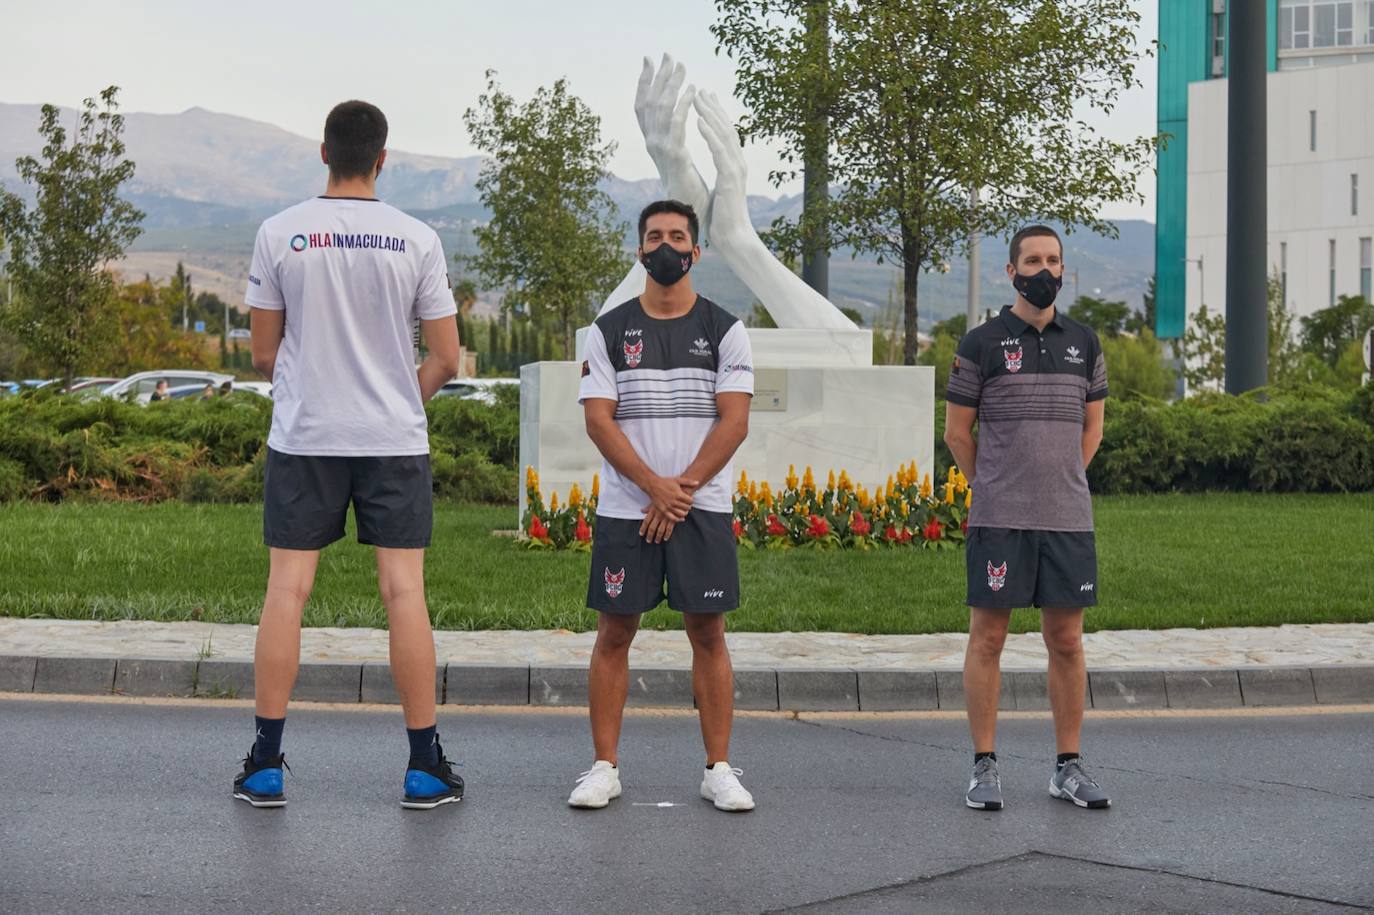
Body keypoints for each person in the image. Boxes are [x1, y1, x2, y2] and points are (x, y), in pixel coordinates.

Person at [236, 100, 463, 810]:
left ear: (324, 153)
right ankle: (424, 767)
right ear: (382, 158)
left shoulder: (279, 233)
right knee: (404, 593)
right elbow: (448, 358)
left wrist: (314, 394)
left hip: (304, 436)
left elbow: (265, 353)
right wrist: (399, 398)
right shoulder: (418, 238)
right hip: (392, 438)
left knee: (286, 592)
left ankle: (265, 764)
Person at [571, 199, 756, 812]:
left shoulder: (725, 329)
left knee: (708, 632)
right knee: (614, 632)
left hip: (699, 509)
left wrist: (677, 493)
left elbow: (734, 423)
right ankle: (604, 767)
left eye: (678, 236)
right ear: (640, 250)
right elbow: (599, 421)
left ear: (696, 251)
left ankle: (719, 769)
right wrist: (655, 486)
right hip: (630, 509)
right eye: (655, 237)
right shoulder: (608, 329)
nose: (667, 246)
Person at [944, 225, 1111, 812]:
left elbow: (1092, 429)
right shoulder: (982, 343)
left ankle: (1067, 767)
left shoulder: (1085, 343)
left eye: (1054, 260)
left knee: (1066, 640)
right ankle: (984, 766)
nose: (1044, 269)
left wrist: (1063, 473)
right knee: (988, 638)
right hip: (1000, 518)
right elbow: (957, 433)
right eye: (1033, 260)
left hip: (1068, 517)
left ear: (1064, 271)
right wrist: (992, 482)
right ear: (1010, 271)